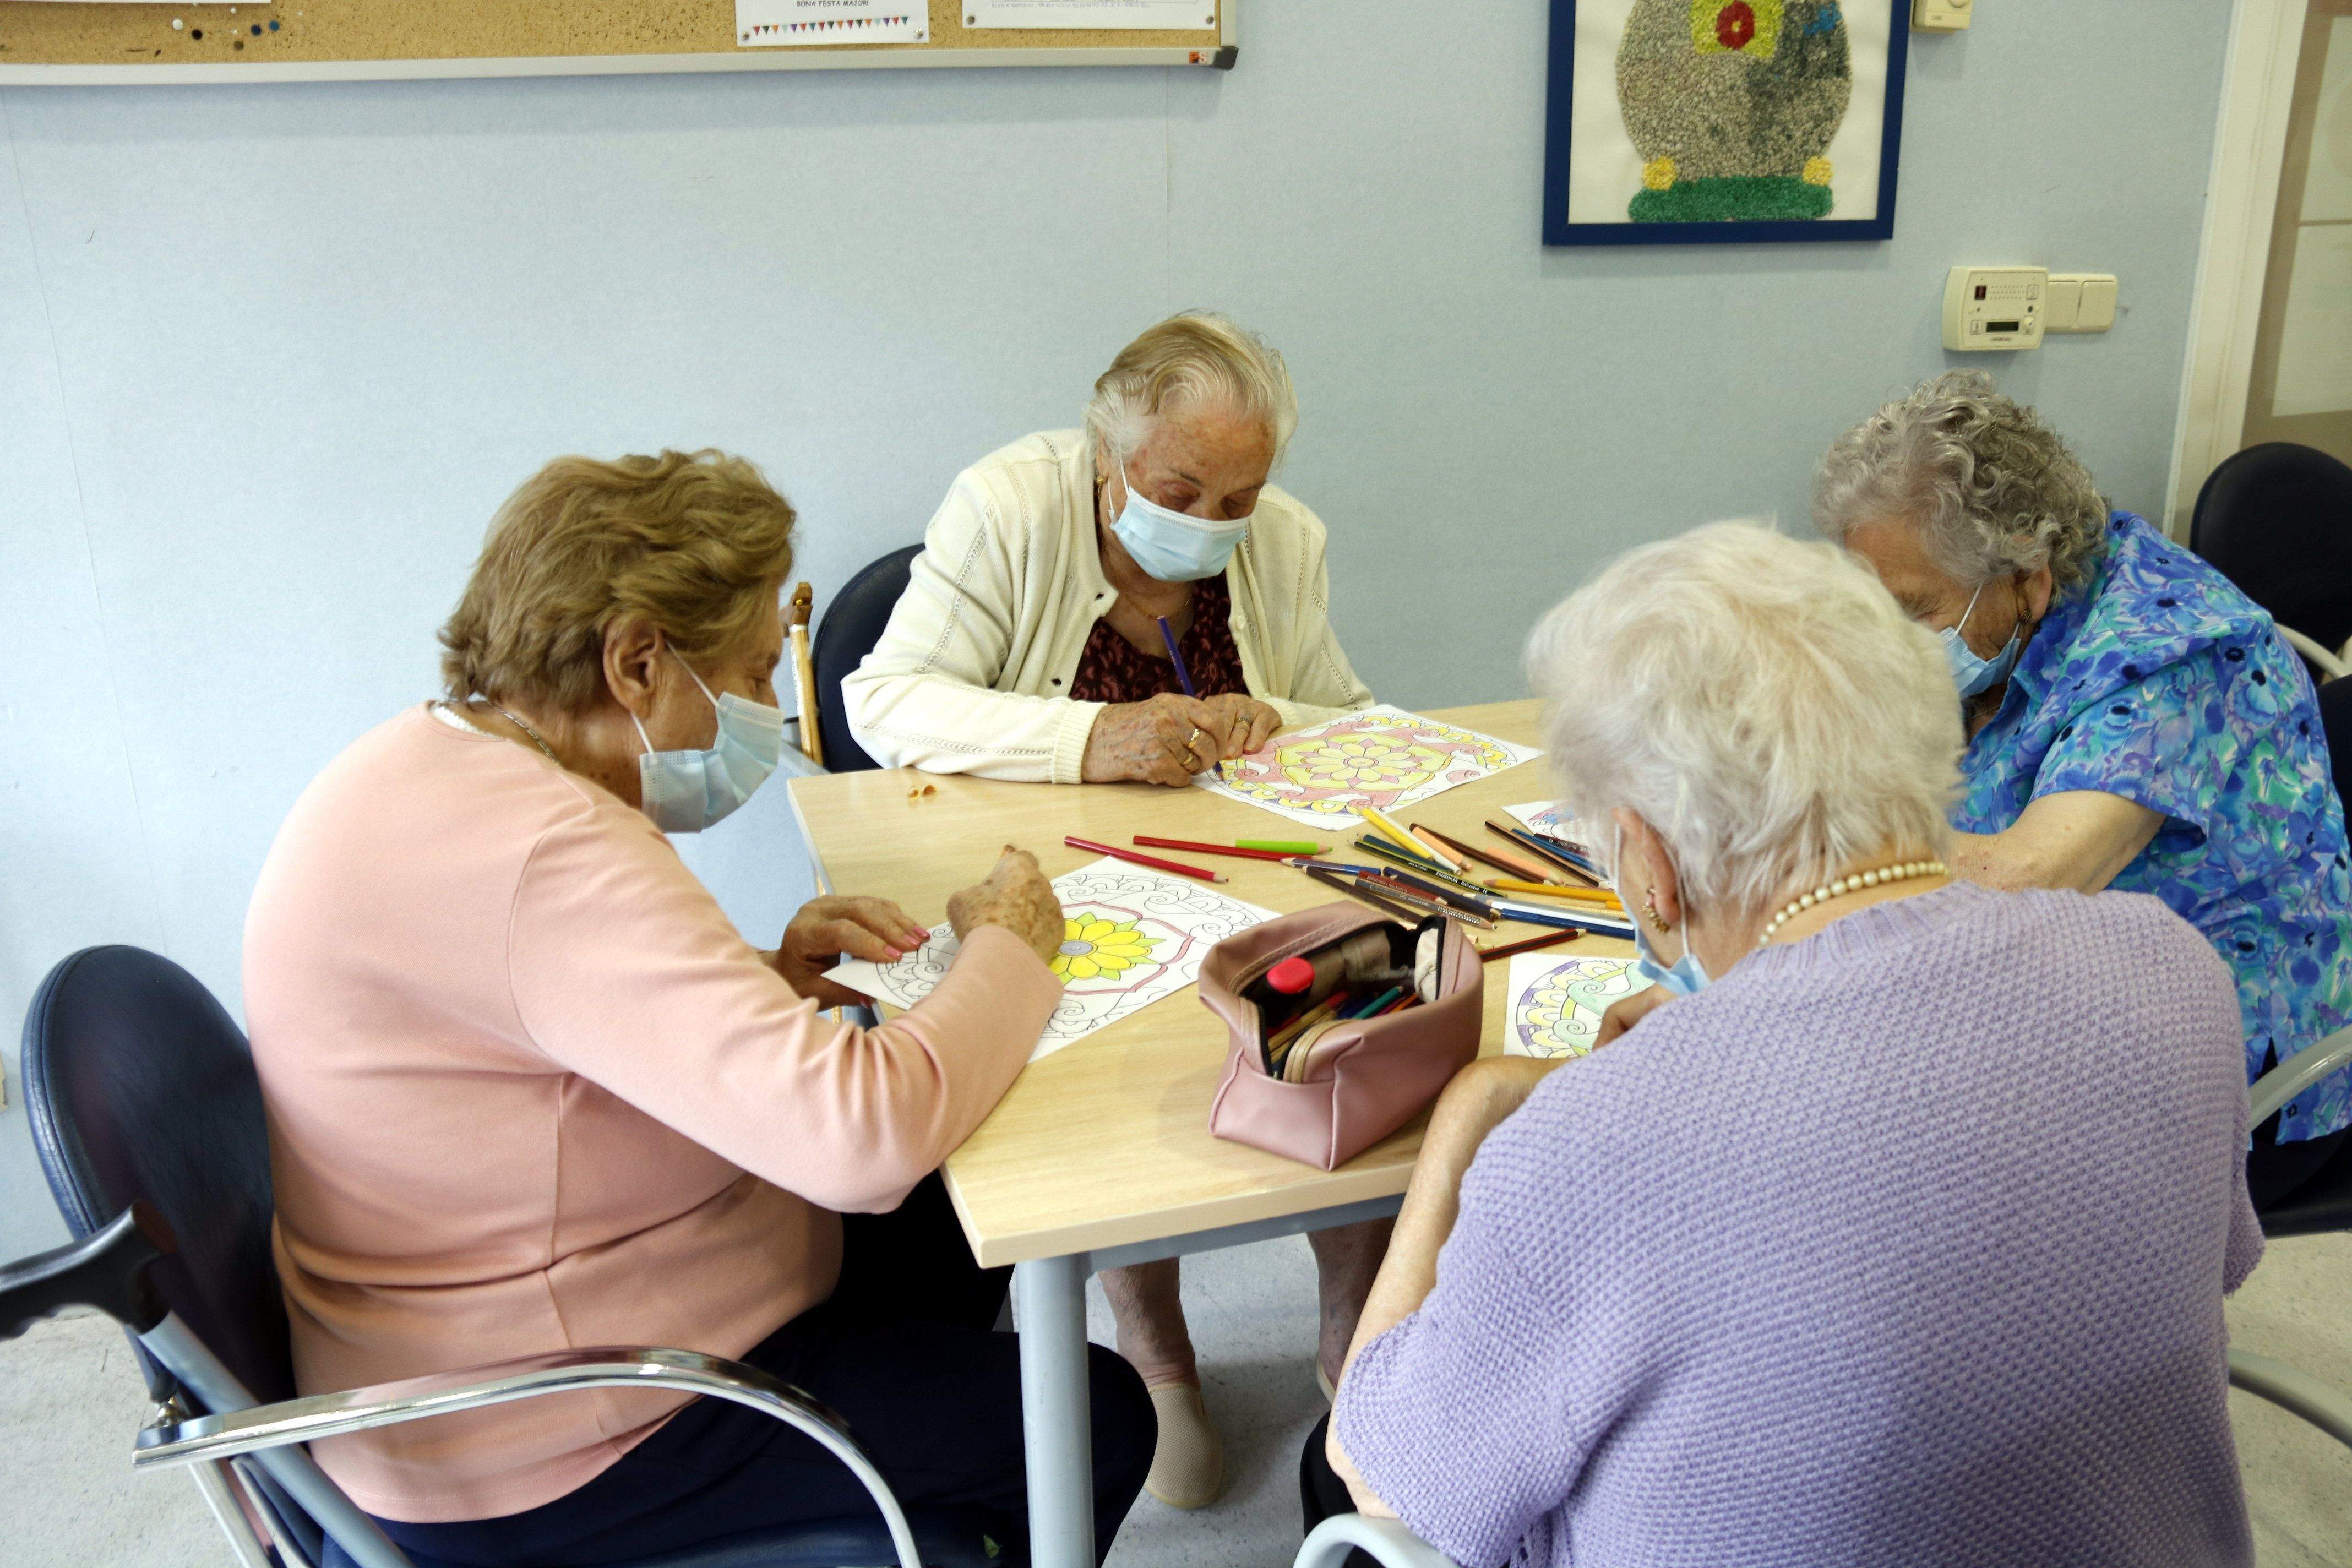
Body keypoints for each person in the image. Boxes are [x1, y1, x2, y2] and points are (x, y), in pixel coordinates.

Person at [244, 450, 1152, 1567]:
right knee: (1091, 1416)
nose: (772, 712)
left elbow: (542, 1033)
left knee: (966, 1208)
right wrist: (1011, 946)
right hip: (552, 1429)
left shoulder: (446, 763)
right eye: (759, 671)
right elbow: (860, 1139)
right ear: (636, 659)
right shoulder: (549, 854)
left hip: (502, 1331)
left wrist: (767, 978)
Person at [1304, 521, 2262, 1567]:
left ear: (1650, 864)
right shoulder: (2172, 968)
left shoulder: (1589, 1146)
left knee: (1328, 1464)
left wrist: (1474, 1111)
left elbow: (1385, 1470)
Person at [845, 312, 1380, 1509]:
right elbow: (882, 699)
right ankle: (1159, 1355)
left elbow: (1345, 710)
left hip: (1240, 868)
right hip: (1055, 871)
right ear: (1105, 449)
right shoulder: (1009, 503)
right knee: (1104, 1093)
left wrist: (1275, 716)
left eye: (1241, 492)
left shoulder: (1285, 539)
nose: (1213, 517)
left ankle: (1353, 1341)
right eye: (1181, 483)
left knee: (1355, 1030)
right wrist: (1095, 733)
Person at [1812, 371, 2352, 1208]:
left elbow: (2021, 880)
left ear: (2028, 576)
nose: (1885, 643)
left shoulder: (2173, 656)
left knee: (1831, 1141)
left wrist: (1793, 846)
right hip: (2047, 994)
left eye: (1912, 612)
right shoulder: (2010, 603)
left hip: (2225, 1073)